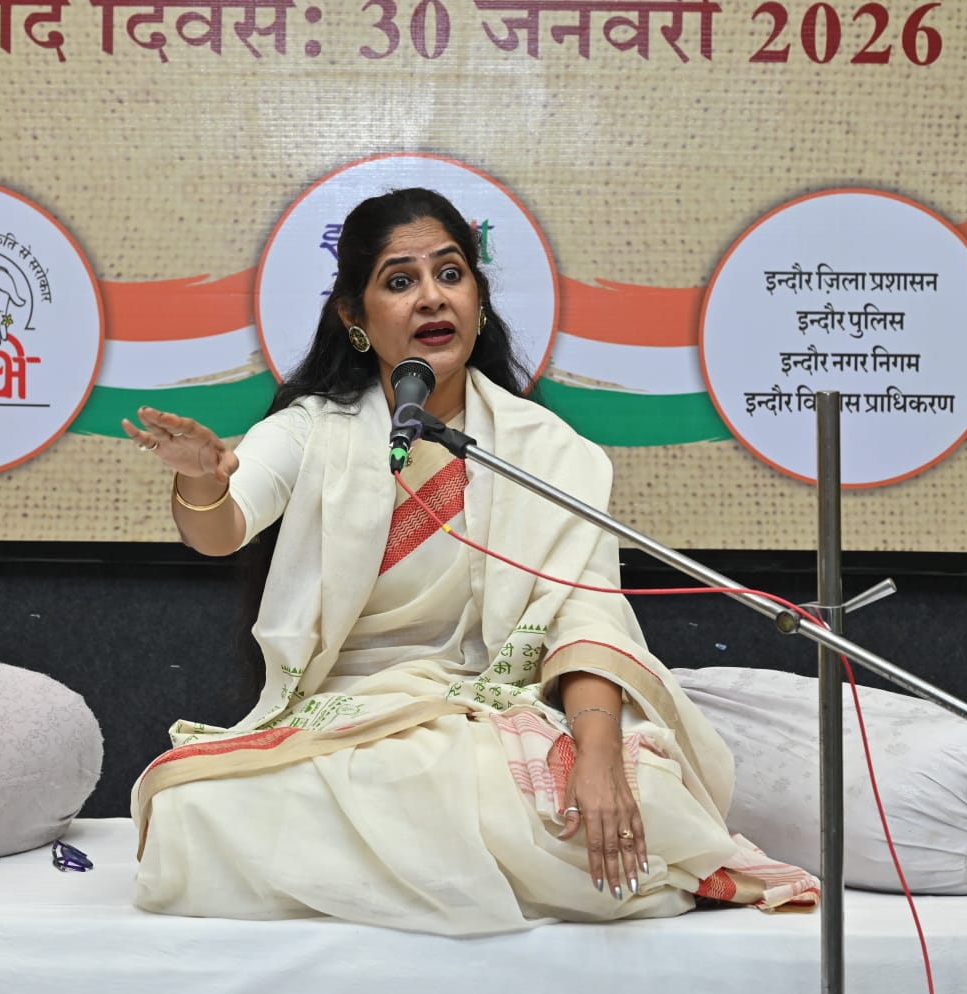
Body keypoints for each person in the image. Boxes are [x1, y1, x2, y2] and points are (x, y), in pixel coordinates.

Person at [121, 187, 813, 936]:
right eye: (399, 281)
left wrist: (598, 754)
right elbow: (224, 526)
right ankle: (458, 867)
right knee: (191, 809)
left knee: (637, 796)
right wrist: (202, 481)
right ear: (354, 318)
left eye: (450, 274)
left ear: (478, 301)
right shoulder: (312, 432)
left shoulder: (548, 453)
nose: (431, 297)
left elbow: (587, 619)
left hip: (488, 720)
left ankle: (378, 870)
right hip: (345, 727)